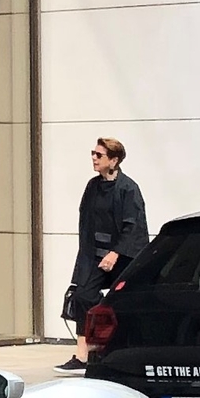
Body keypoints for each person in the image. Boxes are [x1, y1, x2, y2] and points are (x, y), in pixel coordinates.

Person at [63, 136, 148, 369]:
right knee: (82, 297)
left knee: (120, 301)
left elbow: (133, 226)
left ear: (114, 160)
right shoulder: (93, 186)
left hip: (121, 256)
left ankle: (117, 351)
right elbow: (86, 222)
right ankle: (83, 355)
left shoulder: (128, 188)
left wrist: (115, 253)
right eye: (93, 153)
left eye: (99, 155)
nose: (93, 158)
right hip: (94, 254)